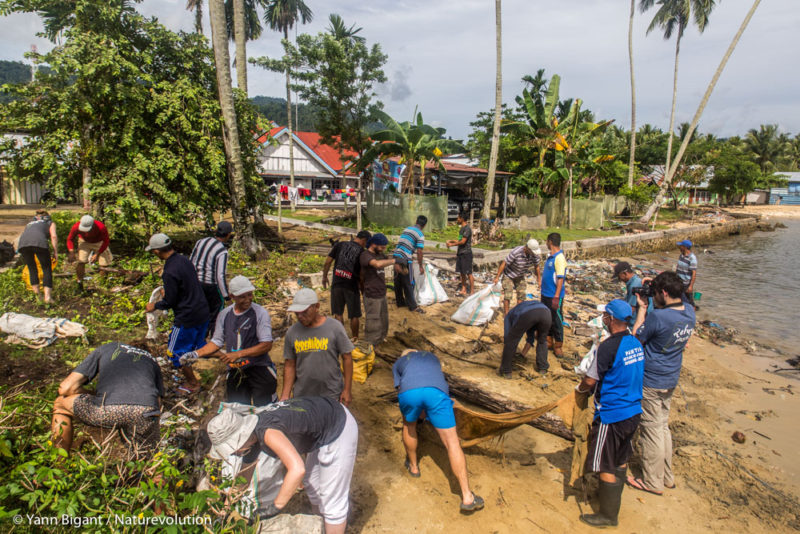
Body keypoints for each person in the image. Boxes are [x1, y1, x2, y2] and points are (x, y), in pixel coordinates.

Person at [209, 396, 359, 534]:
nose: (232, 453)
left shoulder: (267, 432)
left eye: (231, 448)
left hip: (338, 426)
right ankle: (322, 524)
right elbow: (244, 477)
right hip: (322, 421)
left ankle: (333, 524)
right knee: (311, 482)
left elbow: (297, 469)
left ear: (239, 439)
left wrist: (275, 507)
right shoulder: (250, 438)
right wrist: (227, 507)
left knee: (332, 500)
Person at [576, 300, 645, 528]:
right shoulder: (635, 343)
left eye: (606, 315)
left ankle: (607, 515)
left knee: (604, 462)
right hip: (634, 411)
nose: (603, 319)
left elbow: (590, 380)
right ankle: (613, 502)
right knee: (621, 458)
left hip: (612, 414)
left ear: (612, 319)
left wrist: (580, 390)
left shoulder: (607, 348)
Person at [626, 271, 695, 496]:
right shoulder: (689, 312)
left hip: (652, 380)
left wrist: (642, 309)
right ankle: (666, 476)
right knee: (662, 426)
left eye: (656, 293)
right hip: (671, 377)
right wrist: (657, 281)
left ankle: (652, 482)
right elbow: (680, 296)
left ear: (664, 293)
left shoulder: (659, 317)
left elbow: (637, 337)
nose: (654, 297)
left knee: (651, 430)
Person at [392, 350, 484, 513]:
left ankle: (413, 467)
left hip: (410, 393)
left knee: (409, 426)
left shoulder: (399, 363)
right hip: (437, 392)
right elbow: (435, 379)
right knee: (452, 442)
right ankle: (467, 497)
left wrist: (415, 412)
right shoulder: (431, 357)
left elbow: (400, 389)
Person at [51, 342, 163, 456]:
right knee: (148, 463)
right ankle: (149, 470)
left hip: (108, 409)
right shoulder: (152, 360)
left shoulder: (109, 347)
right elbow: (158, 403)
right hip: (146, 411)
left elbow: (65, 388)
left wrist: (94, 394)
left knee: (60, 404)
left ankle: (60, 463)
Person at [181, 276, 275, 406]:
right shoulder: (225, 314)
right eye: (242, 297)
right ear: (232, 296)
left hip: (258, 367)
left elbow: (266, 345)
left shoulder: (259, 313)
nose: (247, 299)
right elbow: (216, 341)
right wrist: (196, 354)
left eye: (249, 295)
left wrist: (238, 354)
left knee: (266, 408)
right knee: (237, 409)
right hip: (235, 370)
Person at [144, 233, 209, 394]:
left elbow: (170, 302)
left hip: (186, 317)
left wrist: (154, 306)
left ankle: (193, 383)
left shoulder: (169, 271)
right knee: (200, 346)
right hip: (202, 310)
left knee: (175, 353)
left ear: (158, 251)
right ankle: (228, 360)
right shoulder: (184, 260)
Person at [281, 289, 355, 406]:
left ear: (316, 307)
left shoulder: (334, 327)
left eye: (304, 312)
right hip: (303, 395)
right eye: (297, 313)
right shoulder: (292, 332)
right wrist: (285, 395)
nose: (300, 316)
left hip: (331, 393)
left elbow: (347, 357)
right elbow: (290, 365)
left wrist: (347, 390)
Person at [322, 230, 371, 341]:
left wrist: (324, 277)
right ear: (364, 240)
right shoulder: (362, 252)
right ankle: (355, 339)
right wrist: (362, 289)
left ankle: (340, 339)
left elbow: (327, 262)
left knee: (338, 313)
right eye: (366, 243)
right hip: (351, 285)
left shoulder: (340, 245)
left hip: (337, 283)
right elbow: (362, 275)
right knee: (354, 315)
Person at [190, 221, 233, 331]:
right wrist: (226, 296)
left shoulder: (201, 242)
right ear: (228, 234)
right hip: (210, 286)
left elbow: (191, 262)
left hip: (195, 284)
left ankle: (200, 340)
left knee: (200, 313)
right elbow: (220, 275)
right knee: (216, 316)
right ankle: (214, 341)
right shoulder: (222, 251)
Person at [499, 299, 552, 379]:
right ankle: (543, 367)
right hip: (546, 313)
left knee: (512, 340)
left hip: (529, 314)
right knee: (542, 340)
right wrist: (522, 355)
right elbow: (530, 338)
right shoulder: (523, 308)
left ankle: (506, 371)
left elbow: (509, 338)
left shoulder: (509, 315)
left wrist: (509, 350)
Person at [359, 233, 395, 346]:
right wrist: (395, 261)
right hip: (371, 294)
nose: (383, 249)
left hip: (382, 293)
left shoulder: (381, 255)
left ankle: (380, 339)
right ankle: (370, 344)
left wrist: (402, 263)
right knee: (373, 321)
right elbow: (378, 265)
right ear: (374, 244)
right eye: (382, 247)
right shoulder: (365, 255)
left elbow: (386, 261)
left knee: (384, 319)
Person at [16, 209, 58, 303]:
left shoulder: (30, 223)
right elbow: (54, 236)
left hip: (23, 244)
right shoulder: (50, 222)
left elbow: (26, 235)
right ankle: (47, 298)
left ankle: (38, 297)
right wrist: (55, 252)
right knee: (46, 268)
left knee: (32, 269)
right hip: (39, 243)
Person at [493, 239, 542, 315]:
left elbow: (537, 267)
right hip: (509, 275)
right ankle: (506, 314)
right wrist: (497, 277)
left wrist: (539, 280)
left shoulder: (534, 255)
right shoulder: (516, 252)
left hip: (520, 275)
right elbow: (504, 263)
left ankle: (518, 313)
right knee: (508, 294)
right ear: (527, 248)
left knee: (521, 294)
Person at [393, 215, 427, 313]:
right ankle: (413, 306)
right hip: (405, 259)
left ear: (416, 221)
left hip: (396, 256)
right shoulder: (420, 234)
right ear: (424, 225)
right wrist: (421, 266)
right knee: (409, 282)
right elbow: (419, 251)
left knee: (398, 280)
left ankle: (400, 302)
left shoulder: (407, 229)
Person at [66, 214, 112, 288]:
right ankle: (79, 282)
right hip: (84, 241)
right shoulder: (76, 226)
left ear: (93, 225)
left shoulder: (101, 227)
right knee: (81, 261)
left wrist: (97, 254)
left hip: (99, 242)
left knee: (104, 263)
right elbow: (70, 239)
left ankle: (103, 284)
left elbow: (106, 241)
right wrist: (71, 252)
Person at [541, 233, 567, 357]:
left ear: (550, 242)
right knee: (547, 318)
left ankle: (558, 345)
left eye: (546, 241)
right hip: (545, 294)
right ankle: (548, 339)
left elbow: (560, 278)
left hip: (553, 295)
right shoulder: (550, 257)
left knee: (557, 319)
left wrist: (557, 296)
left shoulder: (559, 258)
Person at [446, 212, 474, 296]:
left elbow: (463, 242)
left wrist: (452, 244)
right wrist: (450, 241)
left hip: (466, 253)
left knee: (469, 273)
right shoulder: (462, 229)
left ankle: (472, 291)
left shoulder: (467, 229)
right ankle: (463, 289)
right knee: (462, 272)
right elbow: (459, 240)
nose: (457, 219)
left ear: (462, 219)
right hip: (461, 253)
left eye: (458, 218)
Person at [675, 240, 698, 308]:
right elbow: (678, 267)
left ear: (685, 247)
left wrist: (690, 286)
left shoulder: (692, 258)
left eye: (681, 246)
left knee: (690, 301)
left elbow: (694, 274)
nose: (679, 247)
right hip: (678, 281)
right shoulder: (681, 255)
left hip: (686, 283)